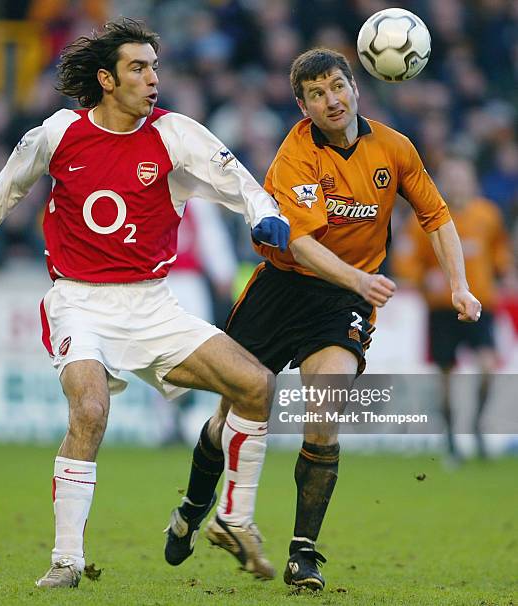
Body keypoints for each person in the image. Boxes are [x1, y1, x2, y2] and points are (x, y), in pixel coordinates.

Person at [0, 18, 290, 588]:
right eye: (138, 68)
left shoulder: (175, 133)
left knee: (257, 387)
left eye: (155, 68)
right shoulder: (58, 133)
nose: (152, 79)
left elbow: (237, 178)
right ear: (107, 80)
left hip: (153, 304)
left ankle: (233, 519)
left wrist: (266, 215)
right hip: (79, 301)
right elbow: (5, 191)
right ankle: (66, 560)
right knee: (90, 411)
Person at [165, 48, 481, 591]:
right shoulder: (294, 156)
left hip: (342, 305)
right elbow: (304, 244)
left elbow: (436, 214)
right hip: (282, 290)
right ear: (302, 104)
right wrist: (359, 278)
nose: (331, 100)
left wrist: (459, 284)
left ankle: (302, 553)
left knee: (325, 405)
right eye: (316, 94)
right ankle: (194, 508)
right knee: (230, 415)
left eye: (337, 87)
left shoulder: (395, 148)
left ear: (355, 85)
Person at [394, 156, 514, 463]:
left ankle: (476, 424)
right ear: (441, 182)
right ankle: (451, 440)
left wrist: (505, 271)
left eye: (462, 176)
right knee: (446, 378)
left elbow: (499, 249)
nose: (457, 183)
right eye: (451, 177)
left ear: (472, 180)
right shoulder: (424, 218)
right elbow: (405, 259)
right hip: (442, 309)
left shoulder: (486, 214)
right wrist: (424, 278)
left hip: (479, 304)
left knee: (488, 366)